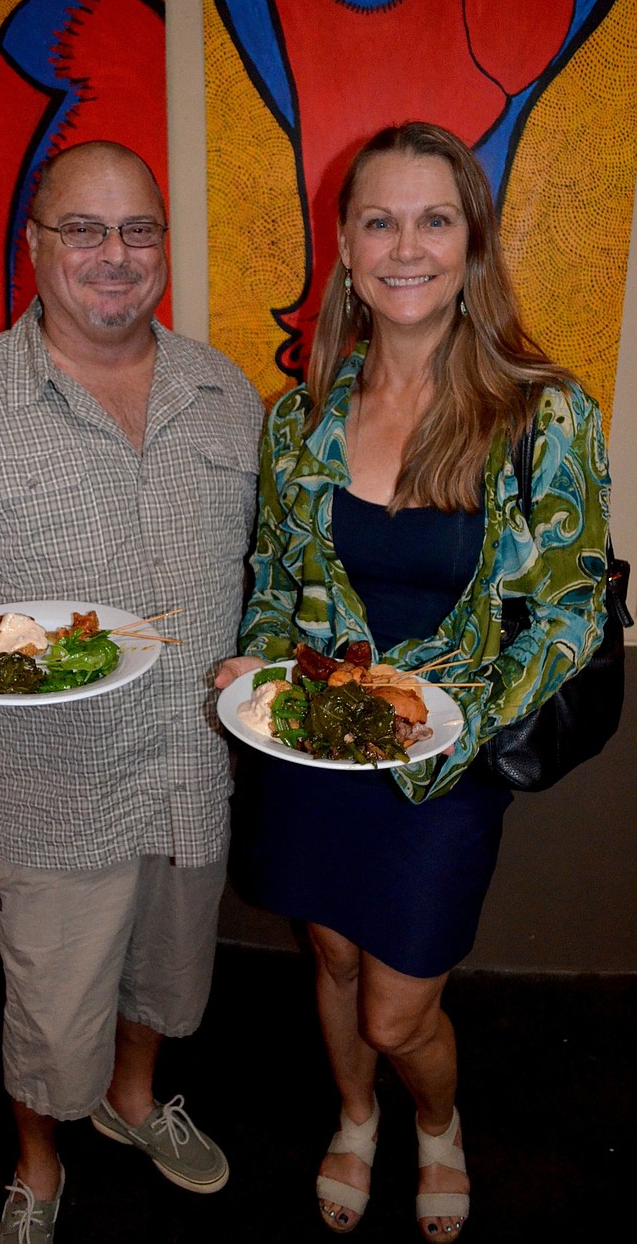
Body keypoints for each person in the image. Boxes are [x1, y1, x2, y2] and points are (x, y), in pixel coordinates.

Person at [0, 141, 264, 1243]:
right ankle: (36, 1163)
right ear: (35, 245)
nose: (114, 254)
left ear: (162, 243)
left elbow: (267, 564)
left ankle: (135, 1099)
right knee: (49, 1009)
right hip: (54, 788)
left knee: (167, 977)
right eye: (84, 228)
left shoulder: (224, 392)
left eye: (137, 229)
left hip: (189, 769)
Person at [215, 121, 610, 1240]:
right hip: (309, 745)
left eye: (434, 220)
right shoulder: (299, 417)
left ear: (472, 243)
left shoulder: (542, 412)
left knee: (397, 1010)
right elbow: (275, 578)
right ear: (344, 247)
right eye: (379, 221)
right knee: (333, 952)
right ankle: (356, 1116)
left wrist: (451, 717)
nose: (405, 246)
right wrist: (259, 660)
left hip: (448, 760)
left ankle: (436, 1121)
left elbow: (575, 609)